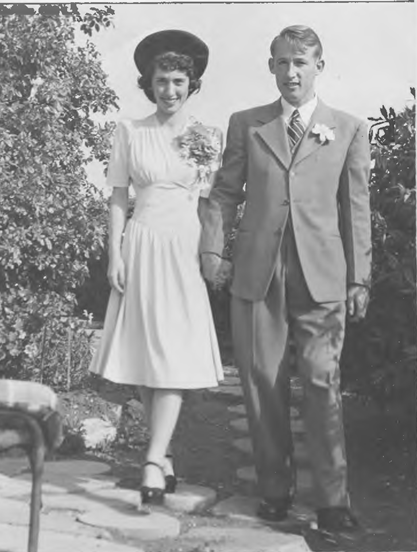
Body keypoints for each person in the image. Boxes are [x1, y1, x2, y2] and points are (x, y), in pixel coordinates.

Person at [200, 25, 371, 533]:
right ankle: (274, 490)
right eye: (282, 62)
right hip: (259, 271)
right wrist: (212, 250)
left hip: (324, 275)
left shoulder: (348, 128)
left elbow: (356, 209)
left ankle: (333, 500)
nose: (291, 72)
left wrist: (359, 278)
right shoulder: (246, 124)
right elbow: (225, 193)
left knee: (322, 379)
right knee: (262, 382)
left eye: (300, 62)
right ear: (271, 66)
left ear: (320, 66)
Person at [90, 29, 224, 505]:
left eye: (178, 81)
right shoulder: (130, 131)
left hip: (183, 248)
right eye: (162, 80)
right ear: (149, 83)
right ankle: (162, 456)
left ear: (192, 84)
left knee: (171, 355)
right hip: (142, 244)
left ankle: (151, 459)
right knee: (147, 356)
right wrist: (115, 253)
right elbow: (118, 198)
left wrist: (212, 255)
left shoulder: (207, 136)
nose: (170, 90)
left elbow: (210, 204)